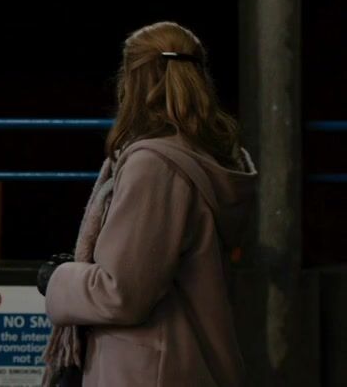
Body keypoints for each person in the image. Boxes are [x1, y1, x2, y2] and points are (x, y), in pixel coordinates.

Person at [38, 21, 257, 386]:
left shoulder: (155, 166)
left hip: (146, 369)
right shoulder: (209, 156)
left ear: (134, 79)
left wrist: (58, 278)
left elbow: (123, 294)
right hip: (191, 360)